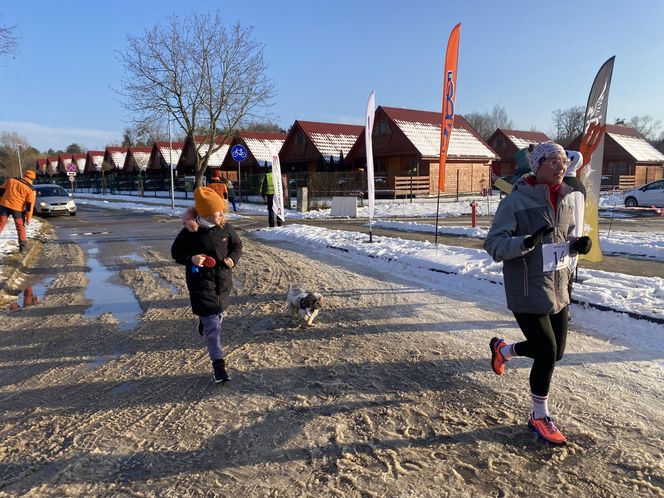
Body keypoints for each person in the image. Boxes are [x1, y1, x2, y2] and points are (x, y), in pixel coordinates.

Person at [484, 142, 592, 445]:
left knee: (555, 352)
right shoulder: (516, 201)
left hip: (558, 287)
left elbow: (564, 240)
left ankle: (504, 351)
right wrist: (526, 242)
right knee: (545, 351)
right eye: (554, 161)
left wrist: (577, 246)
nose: (562, 166)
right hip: (527, 289)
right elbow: (494, 244)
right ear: (538, 165)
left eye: (564, 161)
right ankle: (539, 415)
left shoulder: (570, 198)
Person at [171, 186, 243, 385]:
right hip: (200, 284)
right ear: (205, 213)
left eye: (222, 211)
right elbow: (176, 253)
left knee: (219, 314)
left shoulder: (225, 228)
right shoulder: (190, 232)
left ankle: (205, 321)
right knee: (214, 328)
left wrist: (232, 259)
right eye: (217, 212)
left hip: (223, 283)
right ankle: (218, 366)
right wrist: (191, 258)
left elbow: (237, 246)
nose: (222, 214)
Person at [562, 150, 586, 306]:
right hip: (577, 230)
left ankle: (563, 305)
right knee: (570, 268)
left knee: (560, 270)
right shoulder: (580, 185)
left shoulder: (563, 185)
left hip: (565, 230)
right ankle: (567, 303)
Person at [0, 170, 37, 254]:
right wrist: (28, 218)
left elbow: (1, 190)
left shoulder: (11, 180)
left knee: (0, 224)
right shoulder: (31, 189)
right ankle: (23, 248)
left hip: (4, 205)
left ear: (24, 175)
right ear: (32, 179)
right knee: (20, 227)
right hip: (18, 209)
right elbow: (29, 205)